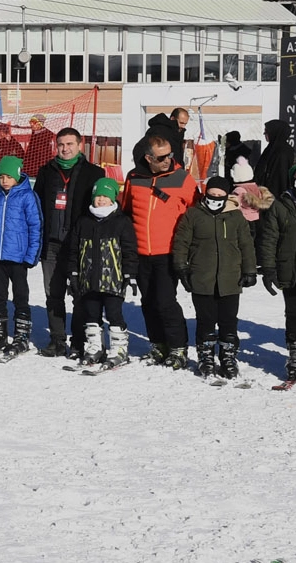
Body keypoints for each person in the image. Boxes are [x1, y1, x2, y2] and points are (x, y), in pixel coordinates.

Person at [121, 134, 195, 368]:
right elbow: (126, 211)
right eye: (162, 157)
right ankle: (158, 345)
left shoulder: (182, 178)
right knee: (148, 301)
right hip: (141, 252)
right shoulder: (134, 177)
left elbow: (196, 213)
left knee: (165, 301)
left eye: (170, 155)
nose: (168, 160)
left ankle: (178, 347)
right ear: (148, 157)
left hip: (168, 252)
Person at [172, 175, 256, 380]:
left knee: (228, 321)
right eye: (212, 194)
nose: (215, 198)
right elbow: (181, 242)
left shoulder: (236, 217)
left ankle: (228, 357)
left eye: (220, 195)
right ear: (206, 194)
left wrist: (250, 270)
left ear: (226, 196)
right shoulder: (193, 215)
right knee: (206, 320)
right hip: (202, 277)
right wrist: (182, 268)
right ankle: (206, 356)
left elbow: (246, 245)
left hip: (230, 279)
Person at [32, 127, 105, 357]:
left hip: (79, 246)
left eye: (69, 144)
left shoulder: (94, 173)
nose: (65, 149)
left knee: (80, 293)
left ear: (80, 145)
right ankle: (57, 339)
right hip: (51, 245)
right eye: (61, 144)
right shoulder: (46, 171)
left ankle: (79, 340)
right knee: (53, 294)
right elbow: (35, 205)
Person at [63, 177, 138, 367]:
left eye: (105, 196)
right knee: (91, 315)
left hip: (114, 280)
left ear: (113, 198)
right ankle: (95, 346)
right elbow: (73, 250)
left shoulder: (121, 221)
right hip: (88, 280)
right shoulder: (84, 221)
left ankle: (119, 348)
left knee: (114, 314)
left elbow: (129, 250)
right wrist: (73, 273)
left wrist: (130, 273)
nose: (101, 200)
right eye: (98, 196)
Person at [0, 155, 43, 355]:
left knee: (20, 296)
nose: (4, 180)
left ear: (17, 175)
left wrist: (31, 255)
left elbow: (35, 226)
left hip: (18, 257)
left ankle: (21, 335)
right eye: (1, 176)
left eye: (8, 176)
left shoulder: (28, 196)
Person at [257, 166, 296, 385]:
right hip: (290, 270)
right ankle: (294, 358)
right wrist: (269, 269)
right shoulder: (280, 206)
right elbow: (269, 239)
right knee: (293, 315)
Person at [254, 120, 294, 199]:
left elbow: (281, 179)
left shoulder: (283, 152)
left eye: (267, 132)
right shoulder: (271, 149)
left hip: (276, 197)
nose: (265, 135)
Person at [230, 159, 269, 225]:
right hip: (257, 218)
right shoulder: (257, 189)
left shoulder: (238, 191)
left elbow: (234, 207)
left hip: (243, 220)